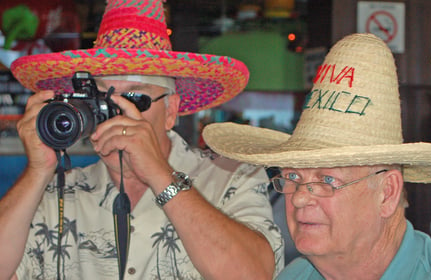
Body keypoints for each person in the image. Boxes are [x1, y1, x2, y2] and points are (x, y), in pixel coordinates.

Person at [0, 0, 283, 279]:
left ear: (170, 110)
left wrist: (160, 175)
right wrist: (38, 171)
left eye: (135, 99)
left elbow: (254, 274)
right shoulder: (55, 192)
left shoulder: (232, 177)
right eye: (101, 98)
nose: (118, 114)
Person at [202, 33, 431, 279]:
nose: (300, 197)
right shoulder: (296, 275)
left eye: (327, 179)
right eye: (292, 177)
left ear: (387, 193)